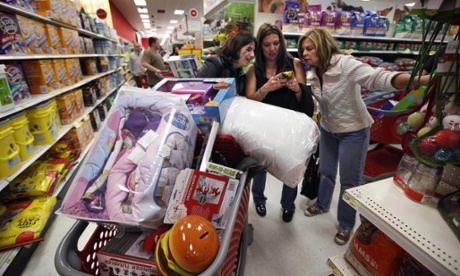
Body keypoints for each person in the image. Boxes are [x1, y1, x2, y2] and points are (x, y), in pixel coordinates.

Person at [298, 27, 429, 245]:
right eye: (302, 49)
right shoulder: (313, 72)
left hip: (354, 132)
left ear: (322, 45)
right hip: (329, 130)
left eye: (309, 48)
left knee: (349, 181)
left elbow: (377, 78)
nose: (304, 53)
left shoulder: (345, 64)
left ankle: (346, 224)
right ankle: (321, 204)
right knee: (326, 172)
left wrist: (420, 81)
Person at [245, 23, 315, 223]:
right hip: (263, 126)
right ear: (260, 46)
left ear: (282, 43)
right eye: (266, 44)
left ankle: (288, 205)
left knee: (290, 165)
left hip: (289, 126)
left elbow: (305, 97)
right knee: (260, 164)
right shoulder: (254, 68)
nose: (272, 48)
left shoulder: (294, 64)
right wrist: (266, 88)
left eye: (276, 43)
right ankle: (258, 199)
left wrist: (295, 87)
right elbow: (249, 100)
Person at [197, 31, 256, 96]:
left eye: (254, 51)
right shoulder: (214, 64)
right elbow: (198, 90)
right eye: (248, 50)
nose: (253, 55)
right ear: (236, 47)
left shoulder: (239, 72)